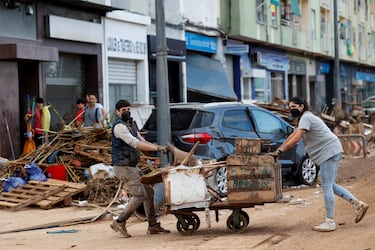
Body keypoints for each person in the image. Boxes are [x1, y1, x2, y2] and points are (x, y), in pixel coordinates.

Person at [275, 97, 369, 232]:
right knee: (331, 185)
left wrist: (280, 151)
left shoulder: (306, 117)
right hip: (330, 151)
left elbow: (296, 139)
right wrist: (280, 148)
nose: (291, 109)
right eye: (290, 107)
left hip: (328, 152)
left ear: (302, 107)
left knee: (326, 186)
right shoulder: (303, 119)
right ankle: (357, 204)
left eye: (294, 106)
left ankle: (330, 221)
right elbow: (293, 136)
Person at [110, 99, 170, 238]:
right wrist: (157, 148)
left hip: (131, 166)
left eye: (128, 109)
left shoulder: (130, 125)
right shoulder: (119, 127)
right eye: (123, 110)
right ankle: (119, 222)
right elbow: (135, 143)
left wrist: (157, 148)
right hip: (123, 167)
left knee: (149, 192)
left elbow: (142, 141)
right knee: (139, 194)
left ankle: (153, 225)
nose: (127, 112)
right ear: (118, 112)